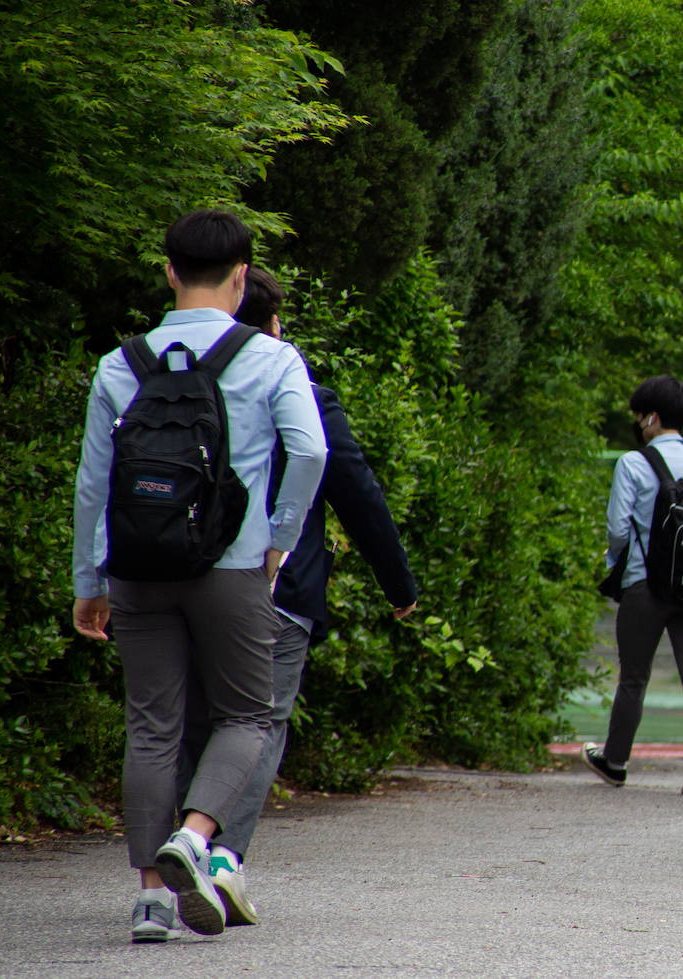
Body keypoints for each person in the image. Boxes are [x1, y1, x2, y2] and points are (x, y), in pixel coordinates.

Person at [71, 211, 326, 942]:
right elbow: (308, 453)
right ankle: (195, 833)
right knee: (248, 713)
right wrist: (278, 539)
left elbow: (94, 482)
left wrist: (89, 578)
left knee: (152, 724)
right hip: (234, 566)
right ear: (243, 278)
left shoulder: (122, 363)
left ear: (169, 272)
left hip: (137, 567)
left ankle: (150, 898)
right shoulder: (272, 359)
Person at [182, 267, 419, 926]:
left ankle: (172, 856)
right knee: (259, 722)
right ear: (277, 326)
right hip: (274, 586)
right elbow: (356, 489)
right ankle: (219, 856)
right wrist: (398, 585)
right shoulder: (302, 391)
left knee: (191, 722)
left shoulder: (179, 384)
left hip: (179, 578)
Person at [581, 376, 683, 796]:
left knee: (634, 677)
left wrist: (615, 566)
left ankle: (616, 761)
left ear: (652, 417)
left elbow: (617, 530)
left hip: (645, 585)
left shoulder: (633, 463)